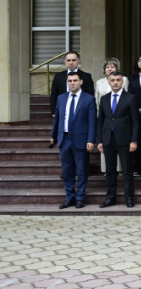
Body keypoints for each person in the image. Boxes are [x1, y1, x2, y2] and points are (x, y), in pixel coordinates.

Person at [50, 72, 97, 209]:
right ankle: (69, 197)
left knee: (82, 170)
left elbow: (92, 122)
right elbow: (57, 119)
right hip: (64, 139)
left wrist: (91, 140)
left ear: (81, 82)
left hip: (81, 140)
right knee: (67, 171)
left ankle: (81, 197)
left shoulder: (88, 99)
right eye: (70, 81)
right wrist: (53, 136)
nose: (72, 83)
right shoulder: (61, 98)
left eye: (75, 80)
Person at [96, 71, 138, 208]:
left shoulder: (130, 98)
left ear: (123, 82)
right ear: (108, 82)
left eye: (118, 80)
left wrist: (134, 140)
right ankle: (110, 197)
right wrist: (100, 140)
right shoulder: (104, 99)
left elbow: (135, 122)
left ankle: (129, 197)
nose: (115, 82)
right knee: (110, 171)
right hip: (108, 139)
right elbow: (100, 121)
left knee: (126, 170)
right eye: (112, 80)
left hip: (124, 139)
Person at [94, 57, 130, 174]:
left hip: (120, 117)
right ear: (104, 70)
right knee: (107, 143)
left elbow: (126, 97)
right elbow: (97, 100)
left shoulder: (124, 79)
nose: (110, 69)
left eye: (112, 66)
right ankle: (107, 170)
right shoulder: (99, 82)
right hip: (105, 117)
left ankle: (120, 170)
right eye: (108, 67)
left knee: (120, 143)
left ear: (117, 68)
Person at [49, 51, 94, 116]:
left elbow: (90, 95)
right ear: (65, 62)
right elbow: (53, 95)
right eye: (68, 60)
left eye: (74, 60)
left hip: (81, 112)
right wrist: (54, 112)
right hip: (62, 111)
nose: (71, 62)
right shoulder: (58, 76)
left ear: (78, 61)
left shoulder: (86, 76)